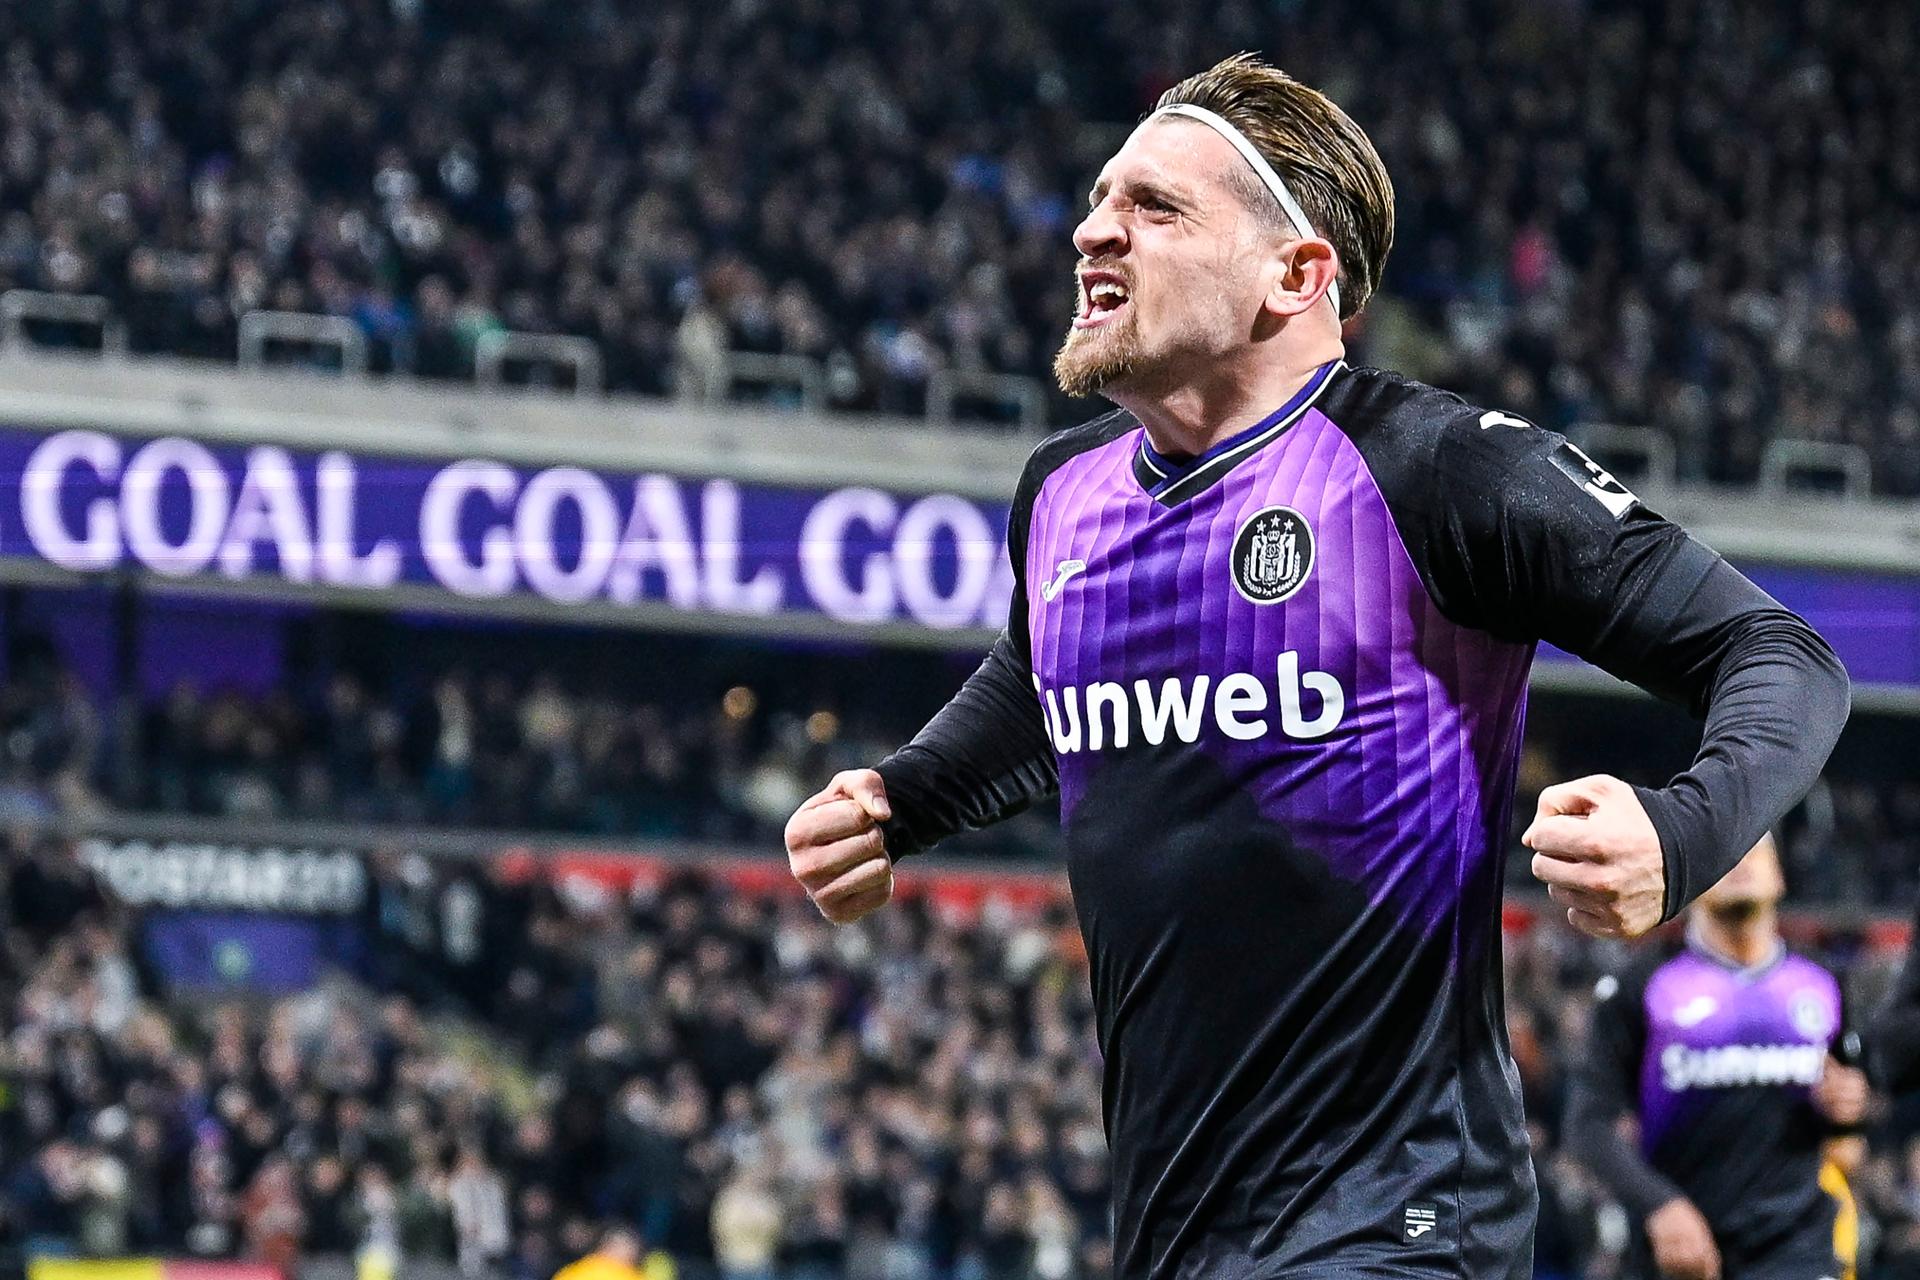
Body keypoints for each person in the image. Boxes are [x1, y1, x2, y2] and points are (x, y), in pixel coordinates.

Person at [783, 53, 1850, 1280]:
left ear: (1296, 274)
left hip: (1399, 1215)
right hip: (1175, 1226)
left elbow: (1778, 652)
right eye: (1099, 197)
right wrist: (903, 798)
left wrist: (1681, 831)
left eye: (1154, 206)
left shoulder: (1443, 471)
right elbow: (1042, 679)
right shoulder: (1062, 492)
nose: (1091, 230)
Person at [1566, 837, 1867, 1280]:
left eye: (1754, 849)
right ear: (1693, 880)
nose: (1740, 862)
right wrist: (1659, 1204)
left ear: (1780, 874)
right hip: (1681, 1248)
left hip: (1796, 1245)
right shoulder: (1640, 985)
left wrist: (1851, 1110)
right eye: (1725, 851)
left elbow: (1853, 1125)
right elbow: (1587, 1125)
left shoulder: (1823, 981)